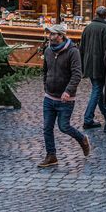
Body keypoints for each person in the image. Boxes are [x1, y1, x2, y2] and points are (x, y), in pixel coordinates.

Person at [39, 25, 90, 168]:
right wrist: (46, 86)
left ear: (61, 36)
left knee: (64, 127)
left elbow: (77, 74)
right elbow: (45, 70)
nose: (50, 36)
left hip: (66, 99)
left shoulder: (73, 52)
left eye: (53, 34)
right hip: (49, 97)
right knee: (47, 128)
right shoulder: (48, 51)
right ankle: (51, 155)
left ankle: (82, 139)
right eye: (49, 34)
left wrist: (68, 91)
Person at [80, 7, 106, 129]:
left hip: (89, 63)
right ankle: (88, 118)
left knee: (98, 89)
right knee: (97, 89)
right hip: (100, 64)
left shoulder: (88, 27)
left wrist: (82, 63)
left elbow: (82, 47)